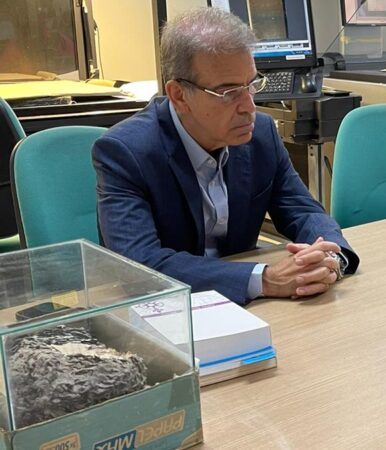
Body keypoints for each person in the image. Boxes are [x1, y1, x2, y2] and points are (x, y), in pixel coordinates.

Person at [93, 8, 359, 305]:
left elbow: (304, 212)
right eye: (229, 92)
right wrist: (265, 278)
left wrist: (330, 257)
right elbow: (141, 266)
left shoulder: (261, 134)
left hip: (253, 308)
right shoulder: (125, 152)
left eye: (252, 85)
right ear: (179, 95)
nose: (249, 107)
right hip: (169, 314)